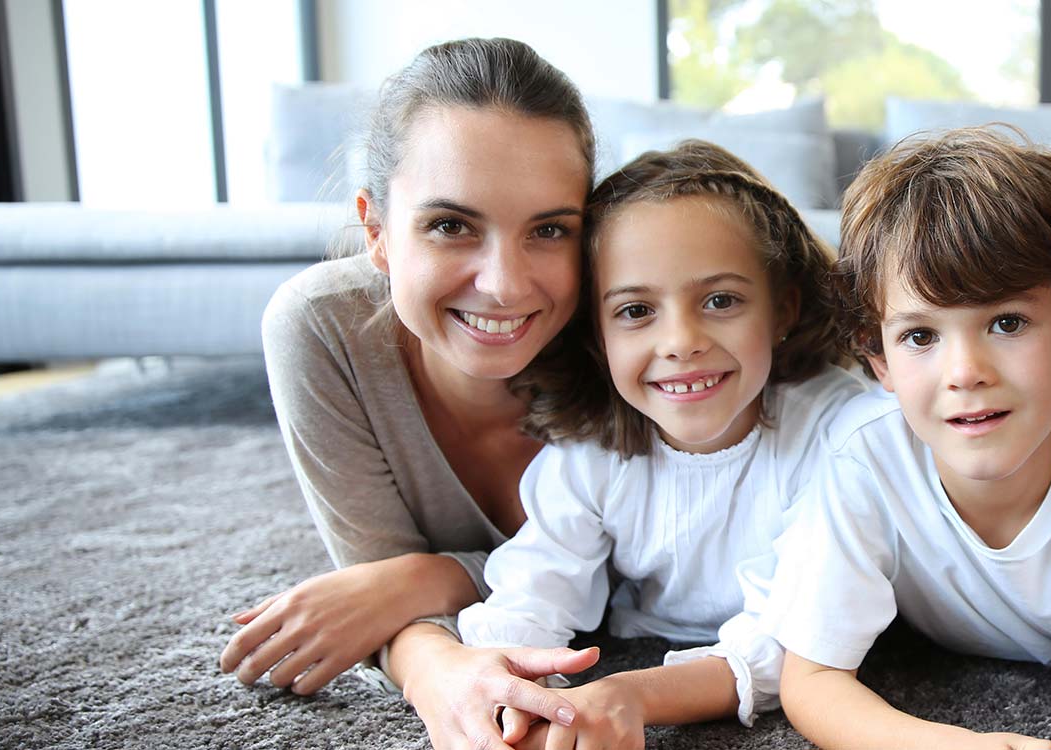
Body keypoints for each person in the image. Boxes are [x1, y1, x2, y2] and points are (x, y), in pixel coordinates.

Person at [226, 38, 612, 750]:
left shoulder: (630, 331)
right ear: (376, 231)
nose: (504, 283)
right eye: (450, 226)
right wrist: (435, 671)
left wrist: (420, 578)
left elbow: (653, 570)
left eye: (549, 229)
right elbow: (372, 585)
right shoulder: (322, 328)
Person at [766, 127, 1051, 750]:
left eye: (1006, 322)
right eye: (921, 336)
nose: (965, 371)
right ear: (878, 359)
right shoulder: (862, 456)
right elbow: (811, 677)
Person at [454, 140, 862, 749]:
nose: (681, 341)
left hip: (761, 651)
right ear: (596, 333)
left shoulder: (836, 434)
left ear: (782, 310)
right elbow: (538, 584)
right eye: (637, 310)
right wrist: (511, 686)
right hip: (642, 633)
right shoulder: (589, 454)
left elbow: (801, 640)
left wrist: (634, 694)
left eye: (720, 301)